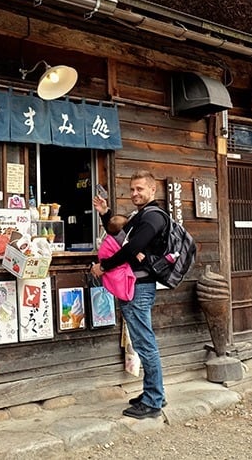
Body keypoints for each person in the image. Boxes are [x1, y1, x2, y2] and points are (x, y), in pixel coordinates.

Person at [90, 170, 169, 419]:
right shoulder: (140, 215)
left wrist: (103, 267)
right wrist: (106, 214)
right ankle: (152, 394)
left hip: (139, 287)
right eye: (132, 189)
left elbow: (132, 248)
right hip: (134, 286)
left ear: (152, 190)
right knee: (143, 341)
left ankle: (154, 400)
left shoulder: (153, 218)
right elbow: (120, 238)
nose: (135, 193)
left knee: (145, 343)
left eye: (140, 189)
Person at [96, 214, 136, 302]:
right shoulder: (122, 240)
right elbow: (128, 251)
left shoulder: (108, 240)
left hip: (109, 267)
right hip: (115, 268)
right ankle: (125, 293)